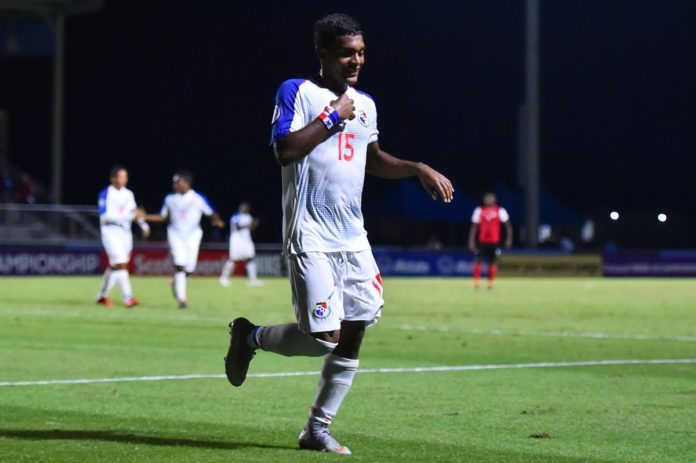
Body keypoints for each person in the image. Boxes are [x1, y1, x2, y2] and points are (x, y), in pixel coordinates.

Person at [224, 13, 454, 455]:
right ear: (323, 53)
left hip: (352, 237)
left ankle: (317, 429)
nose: (357, 61)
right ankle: (249, 336)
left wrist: (416, 168)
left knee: (355, 329)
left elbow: (373, 158)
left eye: (362, 53)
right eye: (348, 53)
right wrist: (331, 117)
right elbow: (285, 150)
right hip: (309, 232)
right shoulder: (297, 91)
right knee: (321, 339)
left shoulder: (365, 103)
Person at [143, 170, 224, 308]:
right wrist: (146, 217)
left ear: (187, 183)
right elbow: (163, 216)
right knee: (179, 264)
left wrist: (217, 220)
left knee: (190, 268)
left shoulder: (197, 198)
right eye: (174, 182)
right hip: (175, 234)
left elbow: (211, 212)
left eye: (178, 182)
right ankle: (182, 299)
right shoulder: (170, 199)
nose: (175, 184)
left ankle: (175, 282)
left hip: (193, 235)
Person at [96, 166, 149, 308]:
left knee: (116, 265)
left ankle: (102, 295)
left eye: (125, 177)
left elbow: (134, 211)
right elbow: (105, 215)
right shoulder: (105, 193)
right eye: (120, 177)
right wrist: (129, 216)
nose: (123, 180)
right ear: (113, 178)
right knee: (120, 262)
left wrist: (143, 225)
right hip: (110, 230)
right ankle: (128, 297)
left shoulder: (129, 194)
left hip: (125, 232)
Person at [468, 192, 512, 289]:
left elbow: (508, 226)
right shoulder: (479, 210)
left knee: (493, 261)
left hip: (494, 241)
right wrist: (471, 241)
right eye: (486, 198)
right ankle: (476, 283)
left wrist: (509, 239)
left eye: (490, 198)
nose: (488, 200)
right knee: (478, 260)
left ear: (494, 199)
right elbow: (474, 227)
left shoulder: (500, 210)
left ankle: (490, 284)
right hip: (482, 241)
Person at [219, 202, 263, 287]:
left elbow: (250, 229)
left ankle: (252, 280)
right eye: (244, 207)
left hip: (246, 240)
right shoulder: (236, 216)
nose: (245, 209)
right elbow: (237, 227)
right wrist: (249, 225)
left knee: (249, 258)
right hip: (237, 241)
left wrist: (255, 224)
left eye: (246, 207)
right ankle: (223, 278)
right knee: (234, 259)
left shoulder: (249, 217)